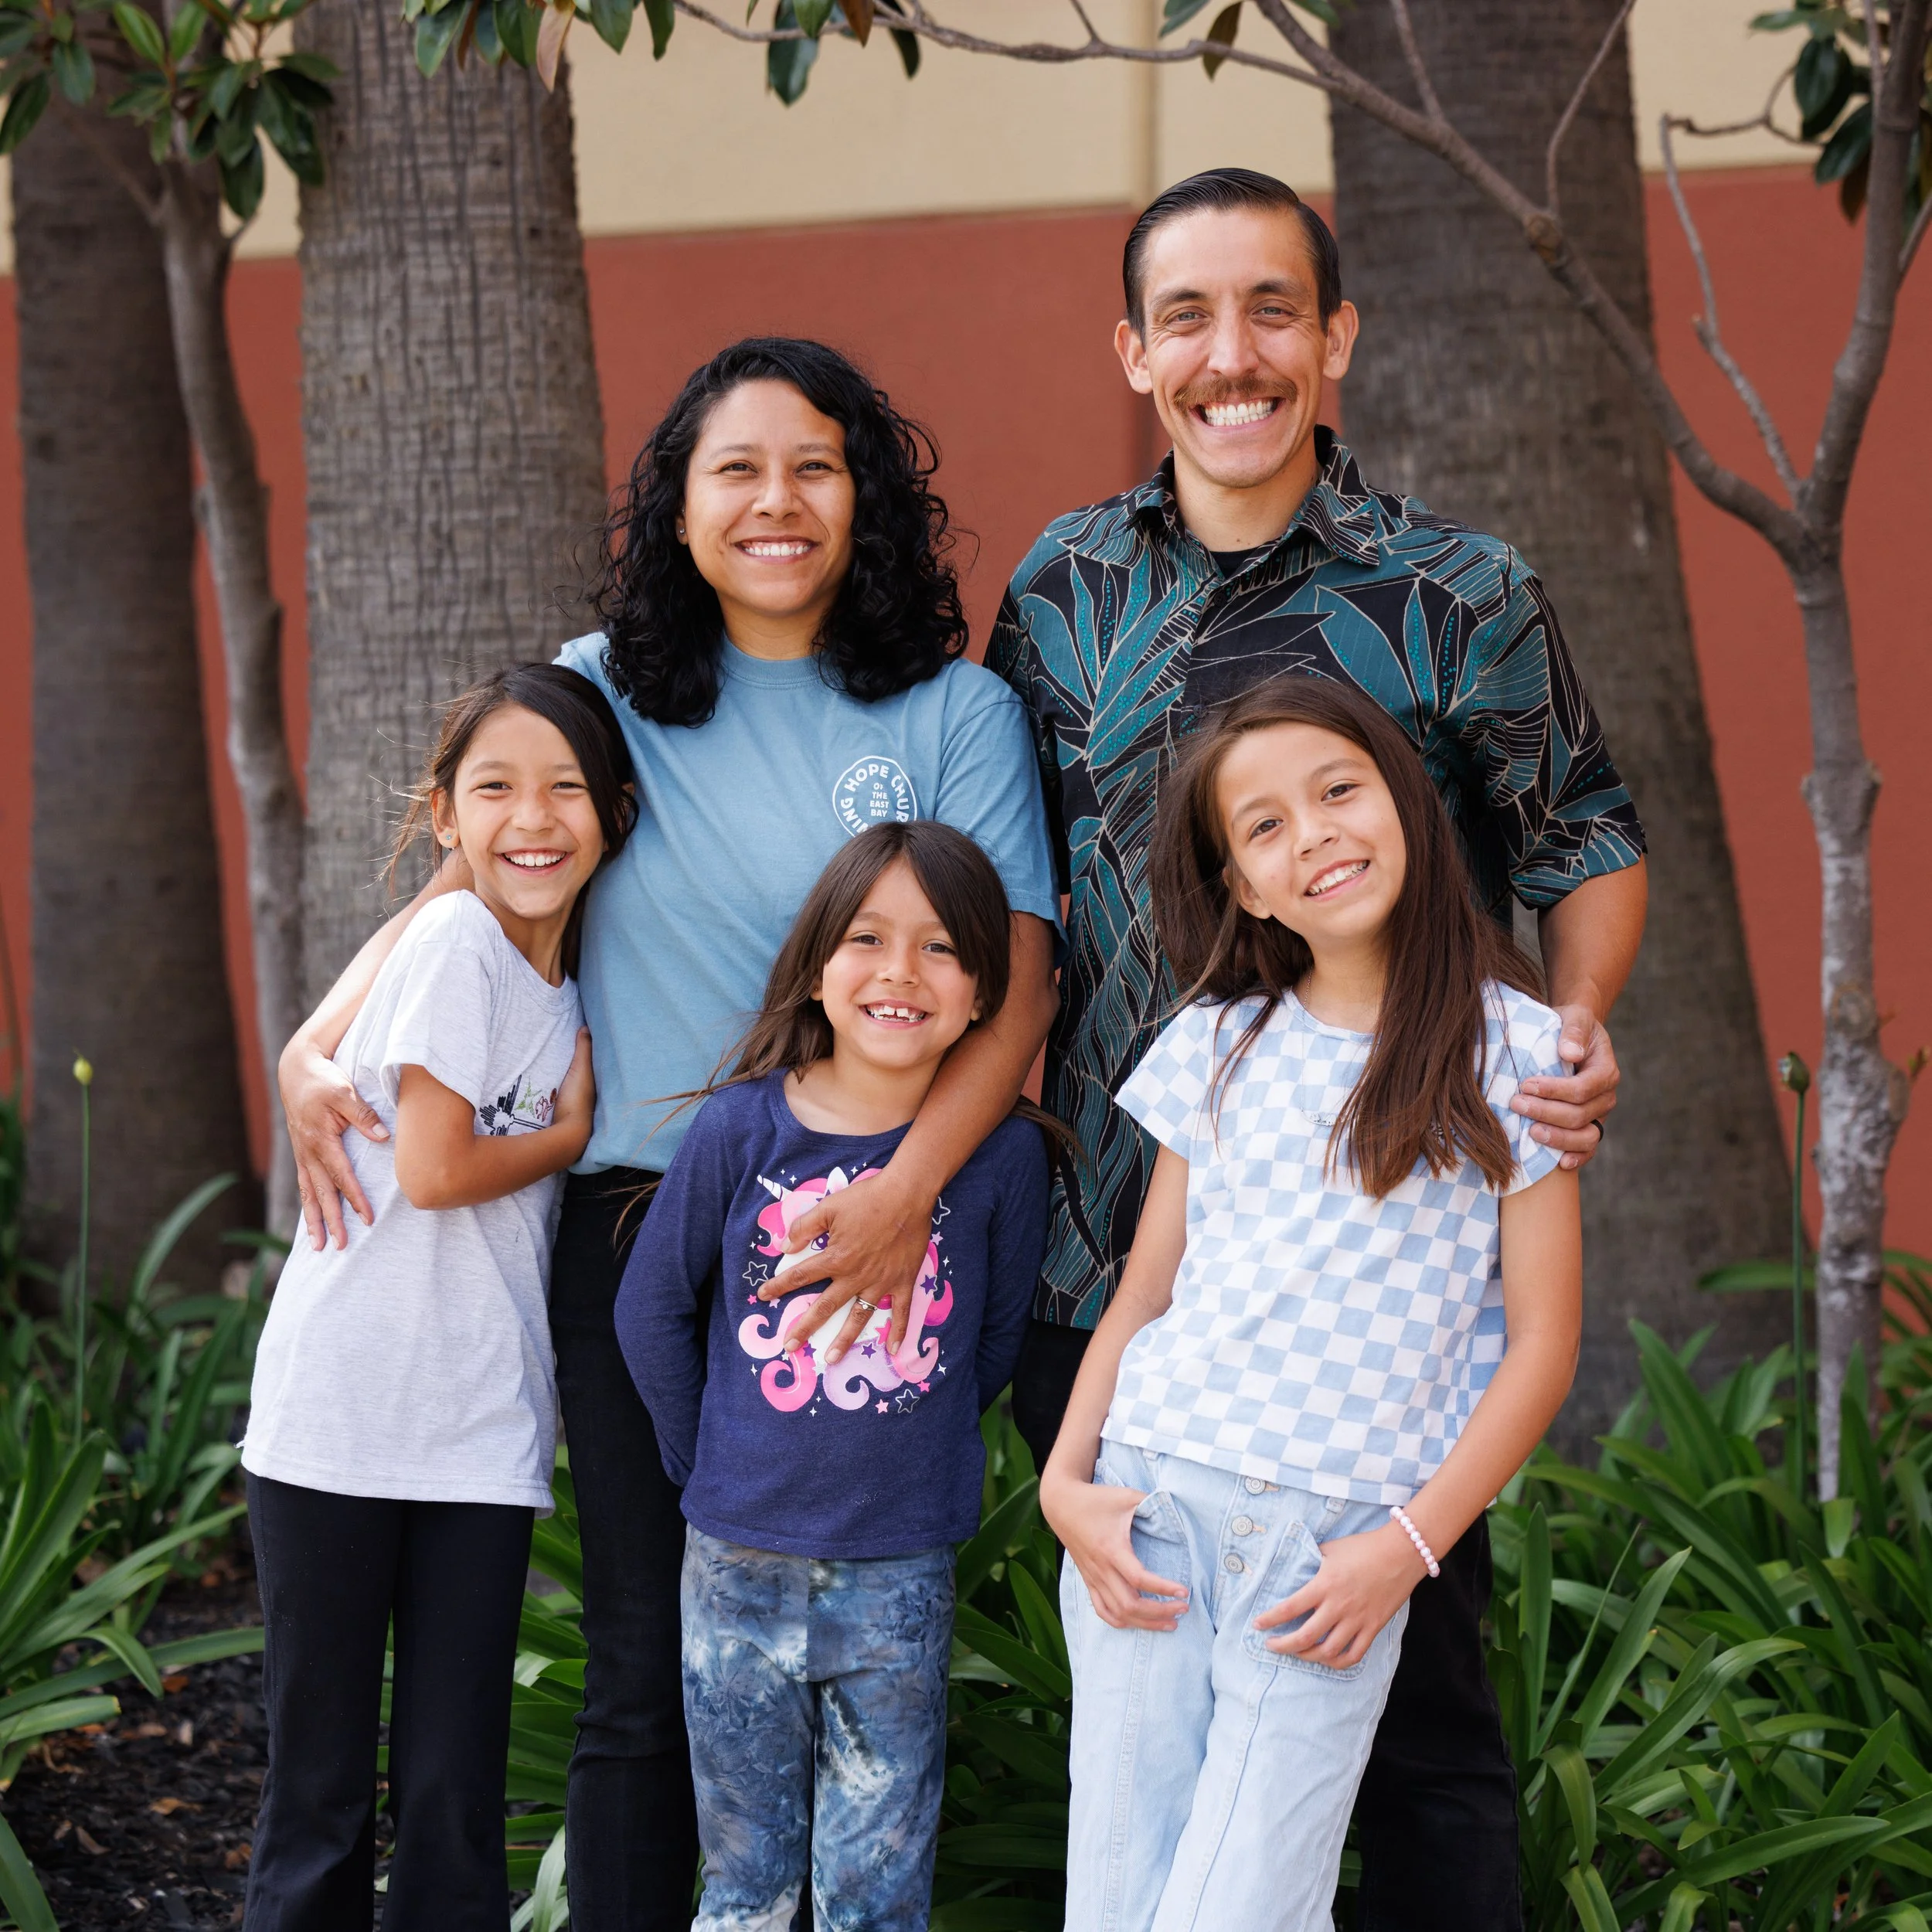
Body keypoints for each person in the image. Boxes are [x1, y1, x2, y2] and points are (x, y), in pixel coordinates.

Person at [277, 338, 1060, 1929]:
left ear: (869, 501)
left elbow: (1021, 983)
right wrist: (315, 1036)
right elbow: (469, 880)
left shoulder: (951, 707)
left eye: (815, 467)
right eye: (735, 470)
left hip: (877, 1223)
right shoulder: (604, 684)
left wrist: (910, 1193)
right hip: (638, 1227)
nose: (776, 501)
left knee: (861, 1649)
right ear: (678, 507)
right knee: (648, 1653)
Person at [986, 167, 1647, 1927]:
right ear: (1133, 351)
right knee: (1150, 1756)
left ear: (1332, 334)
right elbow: (1018, 900)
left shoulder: (1455, 591)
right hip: (1120, 1255)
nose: (1232, 354)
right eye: (1185, 316)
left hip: (1382, 1301)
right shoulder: (1059, 586)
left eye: (1271, 309)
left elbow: (1581, 838)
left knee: (1417, 1734)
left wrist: (1567, 1035)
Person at [1044, 676, 1582, 1931]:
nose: (1317, 834)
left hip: (1335, 1553)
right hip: (1150, 1513)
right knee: (1117, 1902)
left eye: (1339, 791)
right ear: (1244, 885)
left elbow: (1544, 1347)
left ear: (1403, 797)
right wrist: (1067, 1486)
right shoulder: (1216, 1041)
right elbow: (1144, 1296)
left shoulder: (1521, 1050)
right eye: (1267, 826)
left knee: (1243, 1907)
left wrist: (1405, 1550)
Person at [241, 664, 636, 1929]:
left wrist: (308, 1054)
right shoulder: (456, 938)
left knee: (454, 1792)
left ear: (613, 813)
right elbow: (435, 1167)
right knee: (320, 1797)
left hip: (475, 1433)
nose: (535, 817)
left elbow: (332, 1041)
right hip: (341, 1418)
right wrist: (567, 1136)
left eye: (567, 788)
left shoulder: (563, 976)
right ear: (447, 816)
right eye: (497, 789)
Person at [614, 821, 1050, 1932]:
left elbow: (991, 1344)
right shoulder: (742, 1130)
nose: (902, 972)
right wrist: (705, 1457)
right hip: (735, 1565)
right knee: (748, 1882)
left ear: (982, 997)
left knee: (879, 1886)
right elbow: (652, 1308)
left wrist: (918, 1438)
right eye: (868, 938)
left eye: (944, 949)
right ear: (819, 966)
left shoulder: (999, 1158)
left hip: (899, 1574)